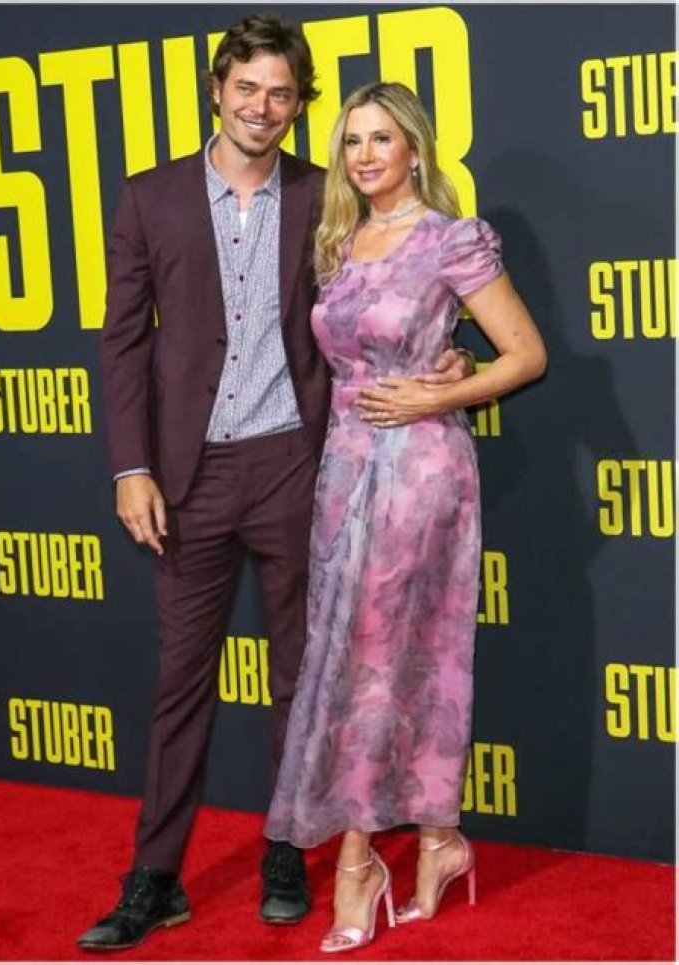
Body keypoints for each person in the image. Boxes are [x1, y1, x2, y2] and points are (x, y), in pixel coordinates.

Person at [77, 14, 471, 953]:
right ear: (217, 89)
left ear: (300, 106)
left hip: (301, 466)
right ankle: (155, 876)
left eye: (281, 94)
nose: (262, 107)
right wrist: (131, 466)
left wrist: (445, 359)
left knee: (307, 674)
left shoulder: (323, 198)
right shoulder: (150, 197)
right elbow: (122, 342)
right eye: (247, 88)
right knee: (183, 678)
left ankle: (287, 851)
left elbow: (389, 296)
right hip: (190, 476)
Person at [265, 80, 547, 954]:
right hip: (346, 468)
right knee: (365, 654)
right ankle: (438, 839)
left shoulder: (449, 240)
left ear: (414, 149)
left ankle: (358, 863)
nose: (364, 155)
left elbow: (527, 354)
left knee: (389, 661)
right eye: (352, 141)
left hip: (421, 471)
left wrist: (442, 391)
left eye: (381, 138)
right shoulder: (340, 241)